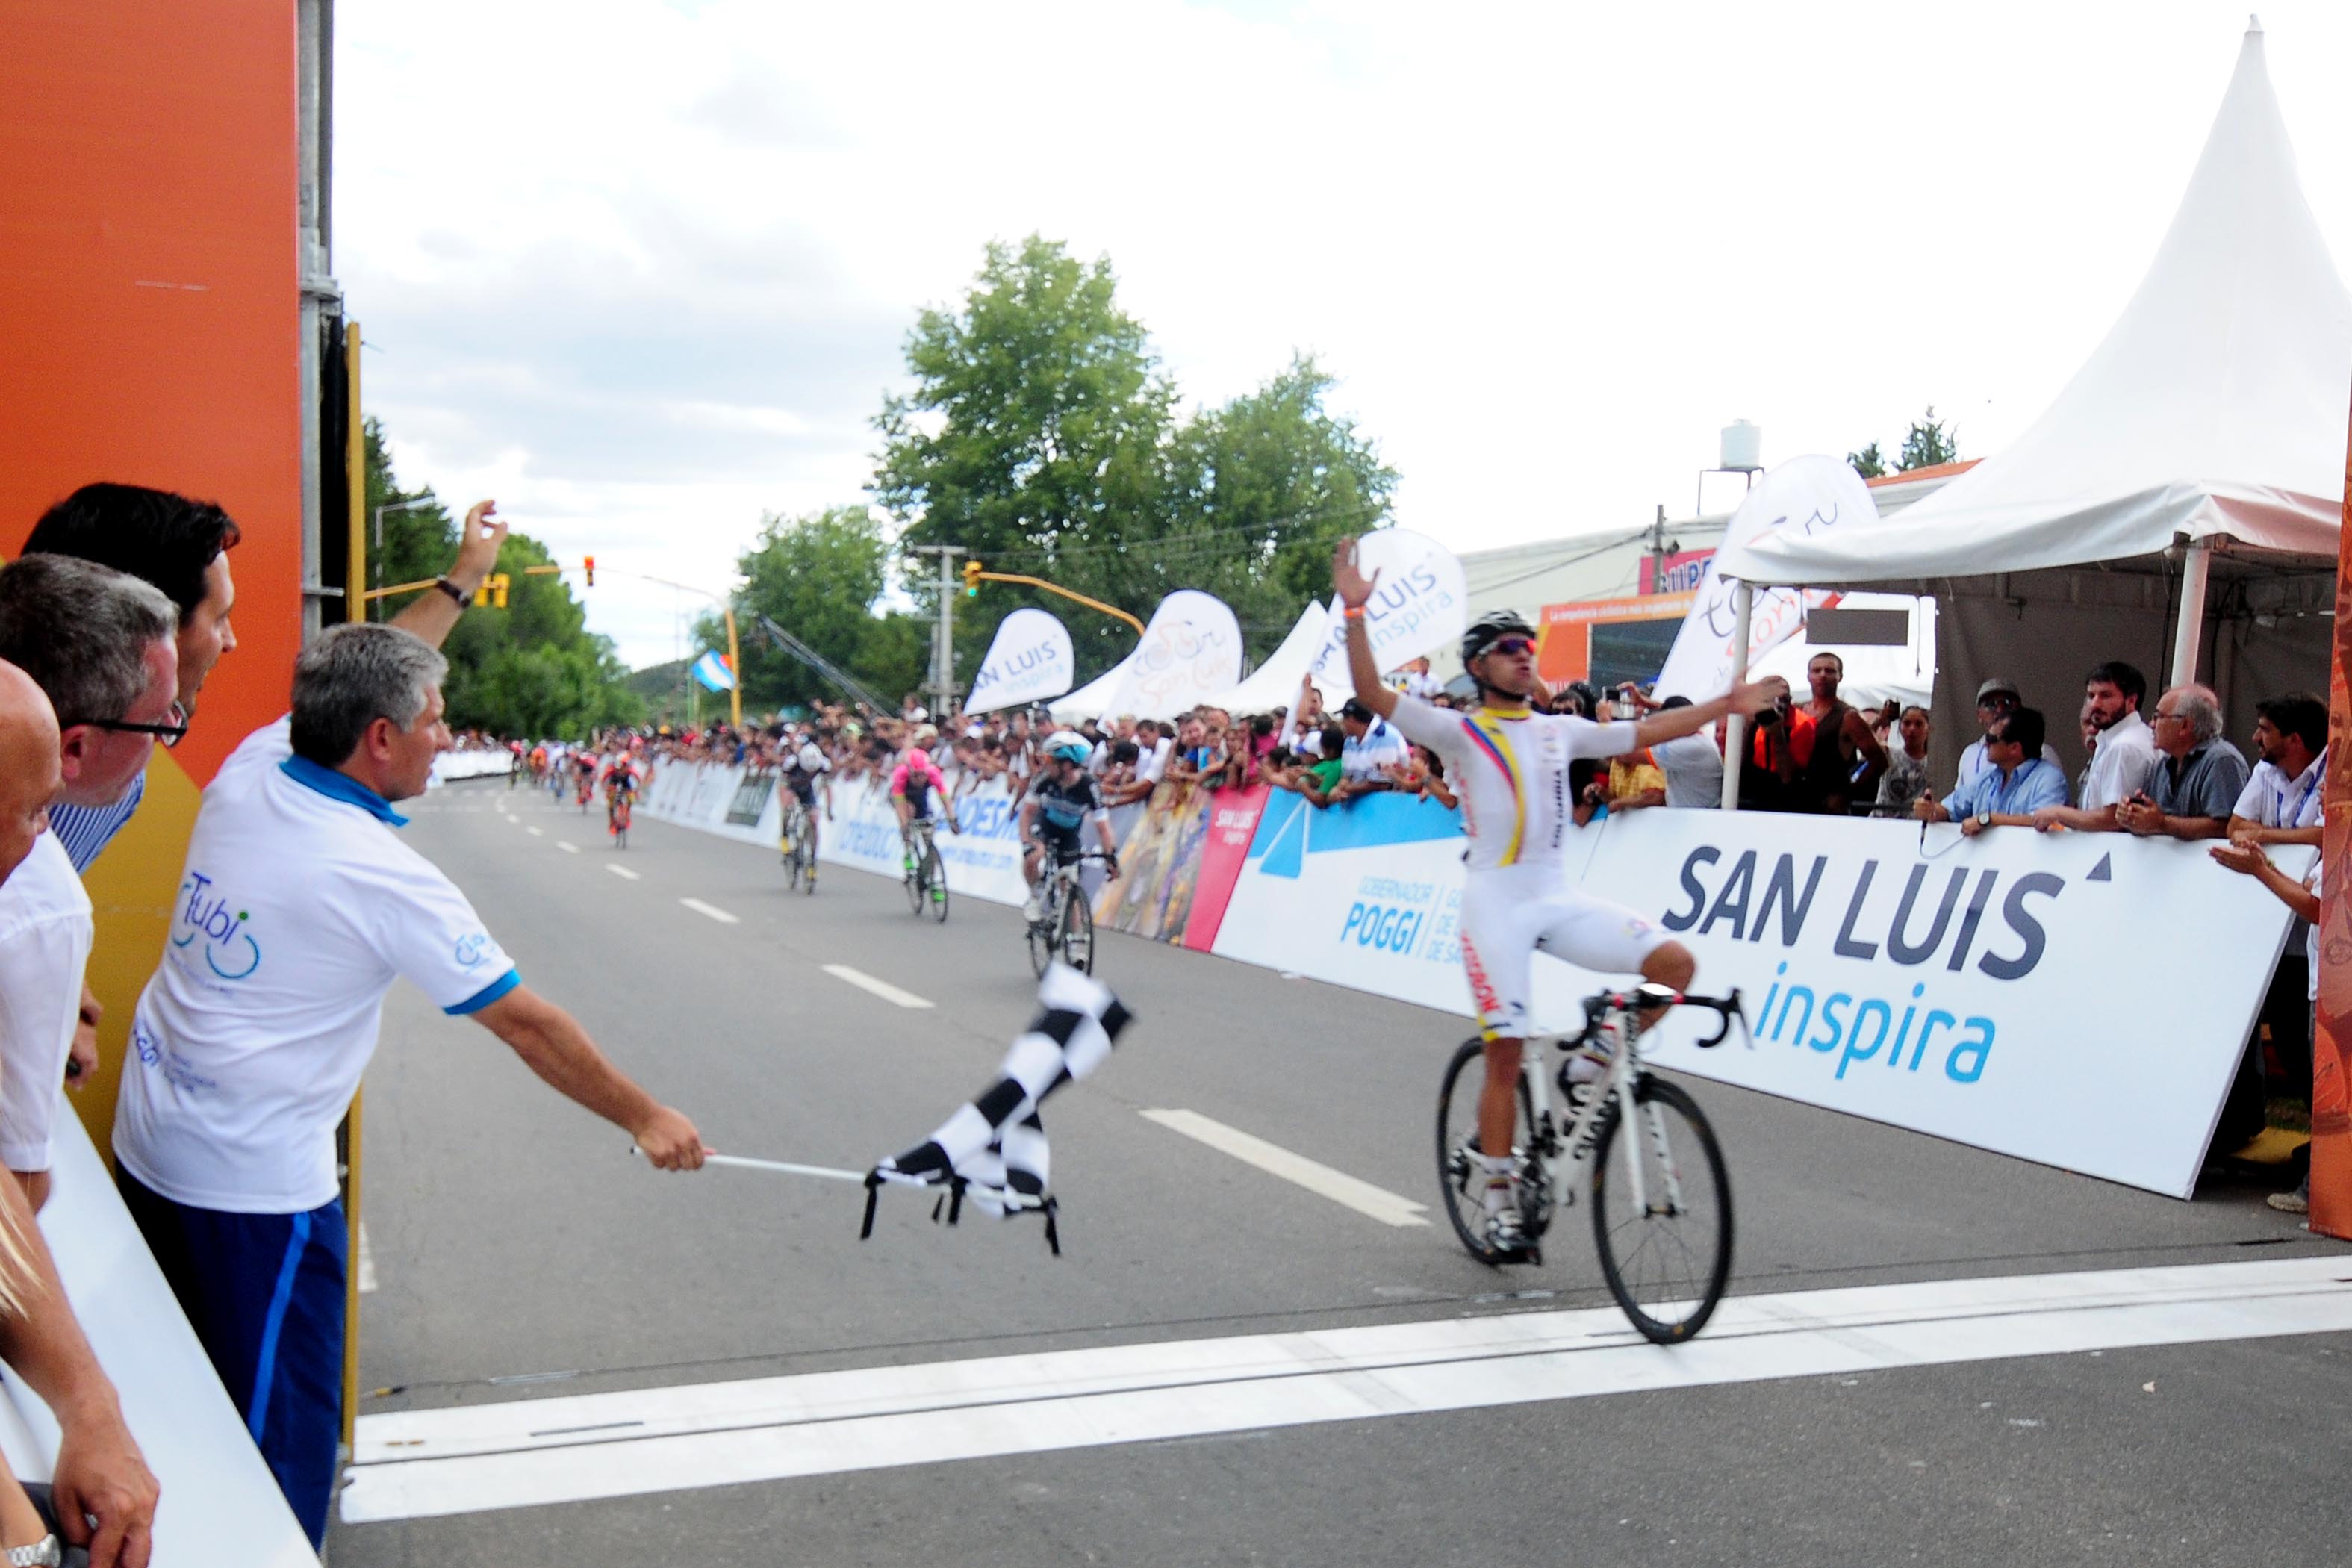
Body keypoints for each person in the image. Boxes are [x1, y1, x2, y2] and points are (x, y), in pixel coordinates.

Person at [111, 623, 708, 1546]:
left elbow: (358, 666)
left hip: (146, 1143)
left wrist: (467, 581)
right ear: (379, 738)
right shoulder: (384, 875)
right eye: (434, 718)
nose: (448, 733)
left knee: (171, 1410)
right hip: (254, 1196)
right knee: (279, 1453)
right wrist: (647, 1116)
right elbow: (529, 1027)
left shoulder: (256, 760)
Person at [1331, 538, 1771, 1260]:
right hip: (1495, 906)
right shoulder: (1458, 728)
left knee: (1676, 965)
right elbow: (1376, 694)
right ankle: (1500, 1198)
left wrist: (1725, 704)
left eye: (1528, 645)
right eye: (1508, 648)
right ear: (1478, 667)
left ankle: (1591, 1060)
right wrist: (1355, 611)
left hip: (1556, 895)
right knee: (1506, 1048)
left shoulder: (1559, 730)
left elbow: (1645, 730)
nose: (1524, 654)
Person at [0, 559, 180, 1216]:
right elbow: (18, 1194)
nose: (165, 740)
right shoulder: (46, 903)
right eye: (159, 721)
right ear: (70, 750)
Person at [2211, 836, 2322, 1213]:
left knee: (2330, 1091)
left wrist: (2262, 869)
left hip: (2335, 985)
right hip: (2326, 979)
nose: (2325, 784)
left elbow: (2319, 907)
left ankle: (2320, 1187)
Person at [2033, 662, 2160, 832]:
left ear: (2131, 701)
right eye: (2091, 696)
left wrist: (2058, 813)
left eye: (2106, 696)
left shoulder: (2124, 746)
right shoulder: (2119, 738)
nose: (2095, 705)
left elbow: (2113, 819)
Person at [2117, 684, 2250, 842]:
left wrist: (2162, 823)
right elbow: (2151, 820)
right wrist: (2132, 814)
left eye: (2158, 717)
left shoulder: (2221, 761)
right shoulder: (2165, 763)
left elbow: (2224, 828)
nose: (2151, 724)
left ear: (2185, 726)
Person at [1914, 706, 2067, 832]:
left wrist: (1988, 820)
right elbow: (1951, 808)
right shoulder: (1987, 777)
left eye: (1991, 739)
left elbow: (2044, 821)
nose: (1986, 744)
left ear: (2014, 748)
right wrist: (1930, 810)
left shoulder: (2050, 778)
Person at [1019, 734, 1119, 924]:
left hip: (1069, 833)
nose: (1046, 765)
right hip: (1045, 825)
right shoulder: (1044, 779)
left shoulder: (1089, 786)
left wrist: (1111, 857)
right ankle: (1034, 897)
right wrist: (1026, 843)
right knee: (1034, 854)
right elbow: (1027, 813)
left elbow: (1104, 829)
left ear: (1066, 764)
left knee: (1070, 886)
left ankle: (1074, 943)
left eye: (1049, 760)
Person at [1796, 652, 1888, 814]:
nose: (1823, 675)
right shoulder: (1798, 710)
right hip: (1795, 799)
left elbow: (1879, 760)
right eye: (1817, 671)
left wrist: (1849, 792)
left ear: (1840, 676)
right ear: (1809, 676)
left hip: (1830, 806)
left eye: (1829, 671)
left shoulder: (1849, 717)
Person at [1955, 676, 2062, 791]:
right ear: (1979, 715)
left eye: (2007, 702)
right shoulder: (1970, 754)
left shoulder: (2044, 752)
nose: (2000, 710)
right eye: (1991, 704)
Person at [891, 737, 958, 870]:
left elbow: (945, 798)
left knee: (928, 834)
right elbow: (899, 805)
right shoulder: (900, 774)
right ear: (909, 771)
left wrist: (952, 819)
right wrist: (905, 826)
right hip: (905, 797)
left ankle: (932, 878)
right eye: (915, 775)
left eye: (922, 775)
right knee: (909, 813)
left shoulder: (933, 773)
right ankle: (908, 851)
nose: (920, 779)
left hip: (921, 798)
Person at [778, 730, 831, 883]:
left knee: (814, 822)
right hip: (793, 785)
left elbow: (828, 788)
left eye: (812, 771)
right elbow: (783, 784)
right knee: (786, 810)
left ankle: (813, 862)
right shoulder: (792, 762)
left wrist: (829, 808)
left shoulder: (824, 764)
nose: (810, 772)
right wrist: (786, 805)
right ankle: (784, 838)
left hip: (809, 790)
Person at [1331, 697, 1407, 801]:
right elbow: (1347, 776)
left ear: (1352, 719)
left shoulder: (1385, 736)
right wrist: (1340, 788)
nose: (1342, 722)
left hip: (1389, 804)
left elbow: (1382, 784)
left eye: (1344, 718)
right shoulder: (1350, 741)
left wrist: (1347, 789)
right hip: (1363, 807)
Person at [1873, 706, 1933, 816]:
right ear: (1900, 727)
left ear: (1928, 728)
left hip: (1913, 826)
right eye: (1907, 723)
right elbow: (1865, 742)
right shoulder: (1888, 754)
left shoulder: (1934, 763)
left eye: (1919, 724)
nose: (1912, 729)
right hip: (1882, 821)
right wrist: (1880, 720)